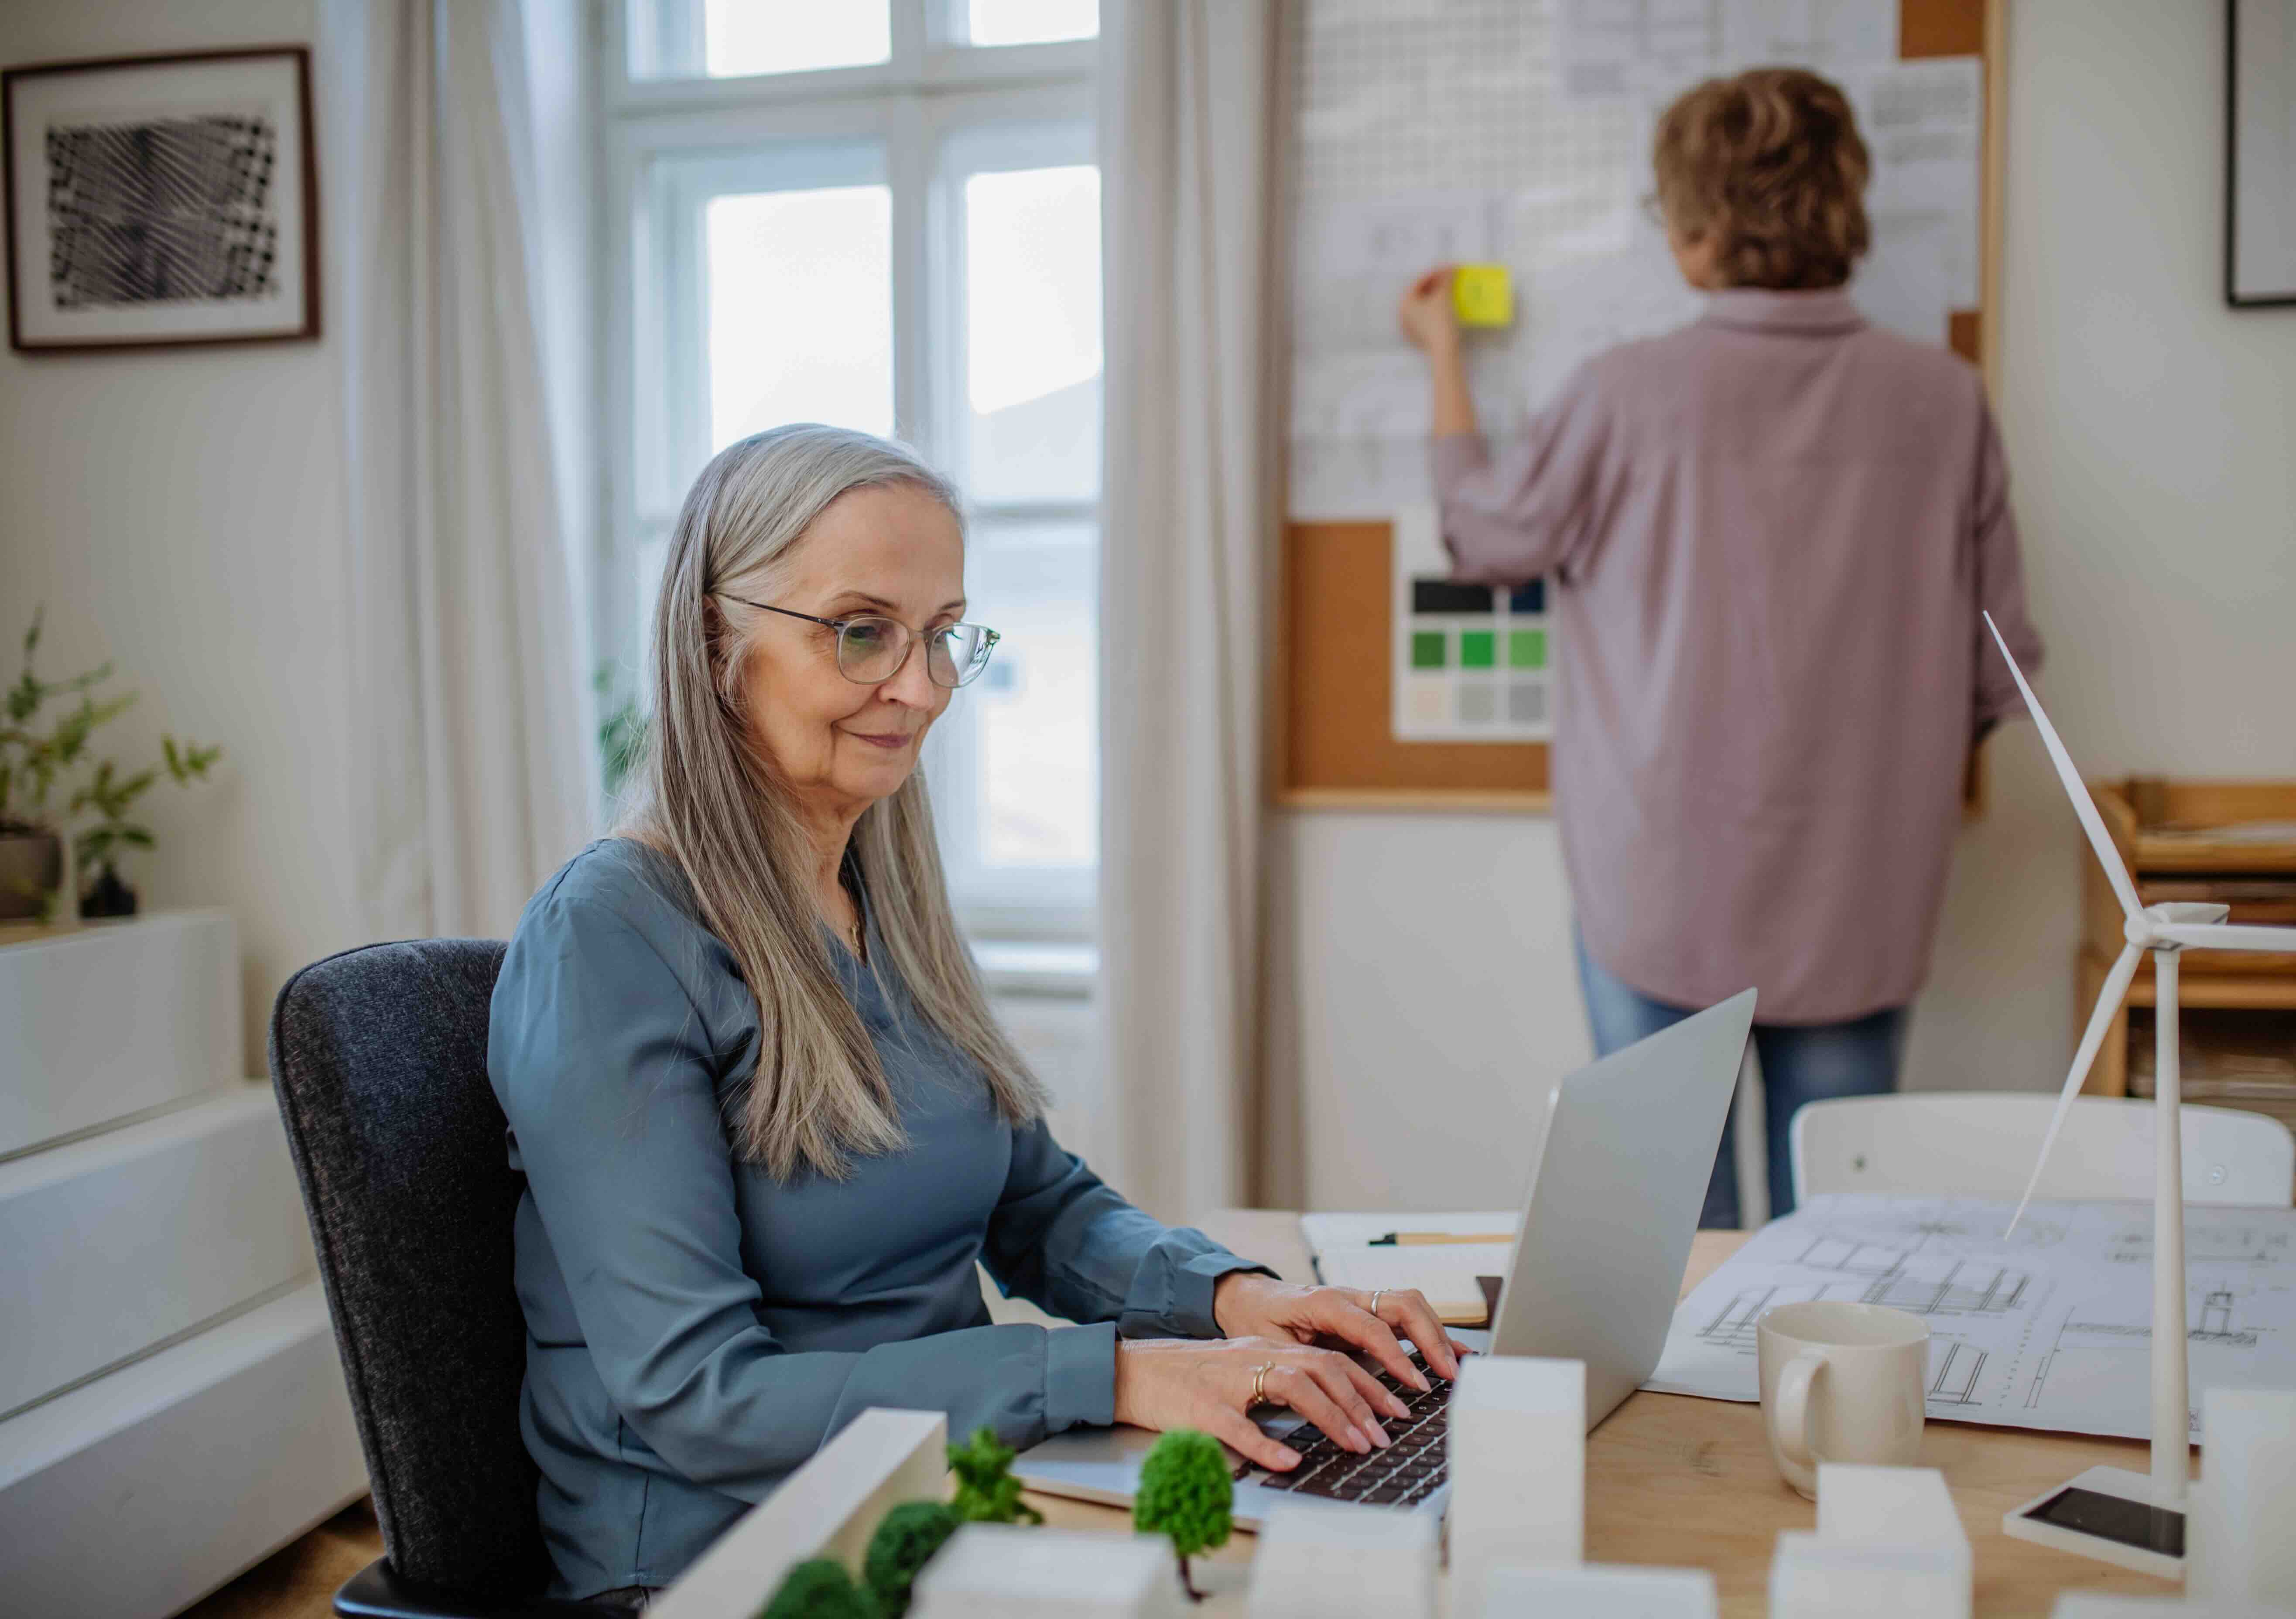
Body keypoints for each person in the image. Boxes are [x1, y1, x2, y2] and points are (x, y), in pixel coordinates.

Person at [489, 424, 1465, 1604]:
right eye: (863, 633)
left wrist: (1233, 1300)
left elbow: (1032, 1201)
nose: (922, 686)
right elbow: (705, 1398)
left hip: (950, 1484)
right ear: (715, 639)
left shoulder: (876, 885)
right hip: (727, 1554)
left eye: (944, 634)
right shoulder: (609, 939)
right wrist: (1100, 1378)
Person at [1397, 67, 2043, 1230]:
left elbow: (1487, 536)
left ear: (1694, 230)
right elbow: (2003, 677)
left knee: (1671, 1261)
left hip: (1657, 886)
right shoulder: (1945, 401)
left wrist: (1443, 357)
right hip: (1862, 894)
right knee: (1833, 1259)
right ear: (1846, 204)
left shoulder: (1622, 393)